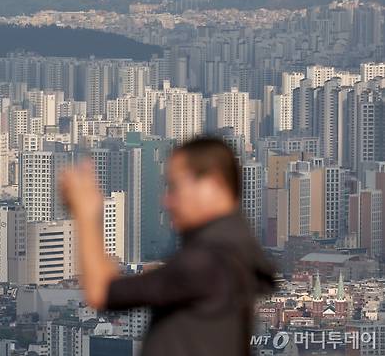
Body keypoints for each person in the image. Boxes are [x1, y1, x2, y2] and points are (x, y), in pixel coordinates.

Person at [59, 137, 276, 356]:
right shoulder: (235, 251)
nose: (167, 201)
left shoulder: (205, 263)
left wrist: (86, 212)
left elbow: (102, 292)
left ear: (213, 183)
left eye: (175, 186)